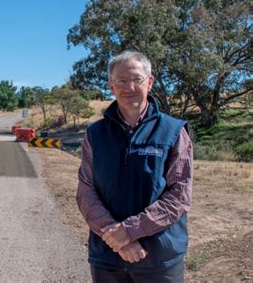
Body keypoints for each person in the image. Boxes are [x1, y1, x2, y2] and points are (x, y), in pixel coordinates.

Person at [76, 50, 193, 282]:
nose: (129, 87)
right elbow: (86, 191)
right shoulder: (94, 134)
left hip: (159, 258)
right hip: (107, 257)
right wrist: (116, 237)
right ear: (111, 86)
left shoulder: (173, 131)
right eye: (121, 80)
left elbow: (179, 195)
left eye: (136, 79)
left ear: (149, 83)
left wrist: (129, 231)